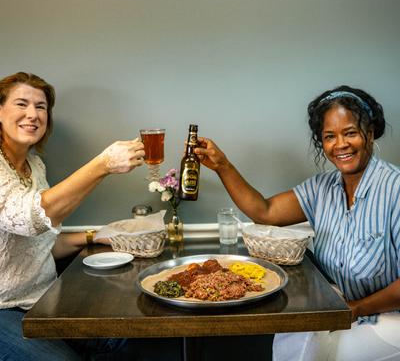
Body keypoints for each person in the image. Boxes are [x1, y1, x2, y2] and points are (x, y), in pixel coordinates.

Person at [194, 86, 400, 361]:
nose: (340, 144)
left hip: (386, 318)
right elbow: (265, 211)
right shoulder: (322, 188)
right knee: (294, 335)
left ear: (370, 133)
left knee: (330, 353)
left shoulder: (395, 189)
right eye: (329, 137)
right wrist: (223, 166)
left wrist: (357, 308)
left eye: (350, 132)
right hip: (339, 308)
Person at [0, 72, 181, 361]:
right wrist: (102, 164)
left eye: (41, 107)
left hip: (42, 298)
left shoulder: (34, 165)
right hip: (3, 308)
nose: (32, 114)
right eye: (21, 104)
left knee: (144, 333)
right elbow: (29, 220)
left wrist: (94, 236)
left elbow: (42, 242)